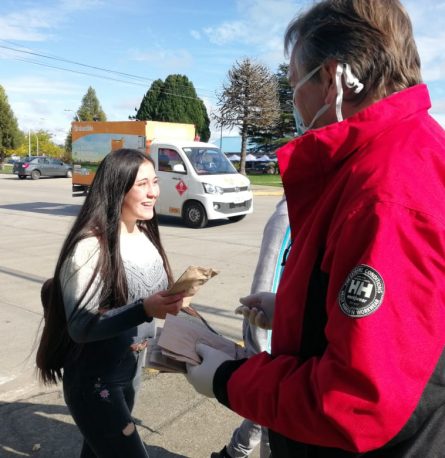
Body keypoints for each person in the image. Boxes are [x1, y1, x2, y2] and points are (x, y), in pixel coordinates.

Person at [185, 1, 445, 456]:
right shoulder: (400, 154)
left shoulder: (385, 191)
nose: (295, 101)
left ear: (332, 79)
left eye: (293, 85)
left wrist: (228, 380)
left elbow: (355, 400)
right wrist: (292, 309)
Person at [36, 148, 184, 457]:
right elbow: (80, 327)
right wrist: (145, 309)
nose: (153, 192)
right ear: (117, 187)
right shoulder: (90, 246)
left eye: (154, 182)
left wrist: (175, 298)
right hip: (94, 385)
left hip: (129, 375)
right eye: (142, 184)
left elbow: (153, 294)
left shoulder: (143, 234)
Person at [211, 196, 290, 458]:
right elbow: (267, 279)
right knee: (272, 418)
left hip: (287, 335)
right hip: (273, 337)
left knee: (268, 414)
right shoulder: (288, 217)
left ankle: (233, 453)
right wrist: (260, 345)